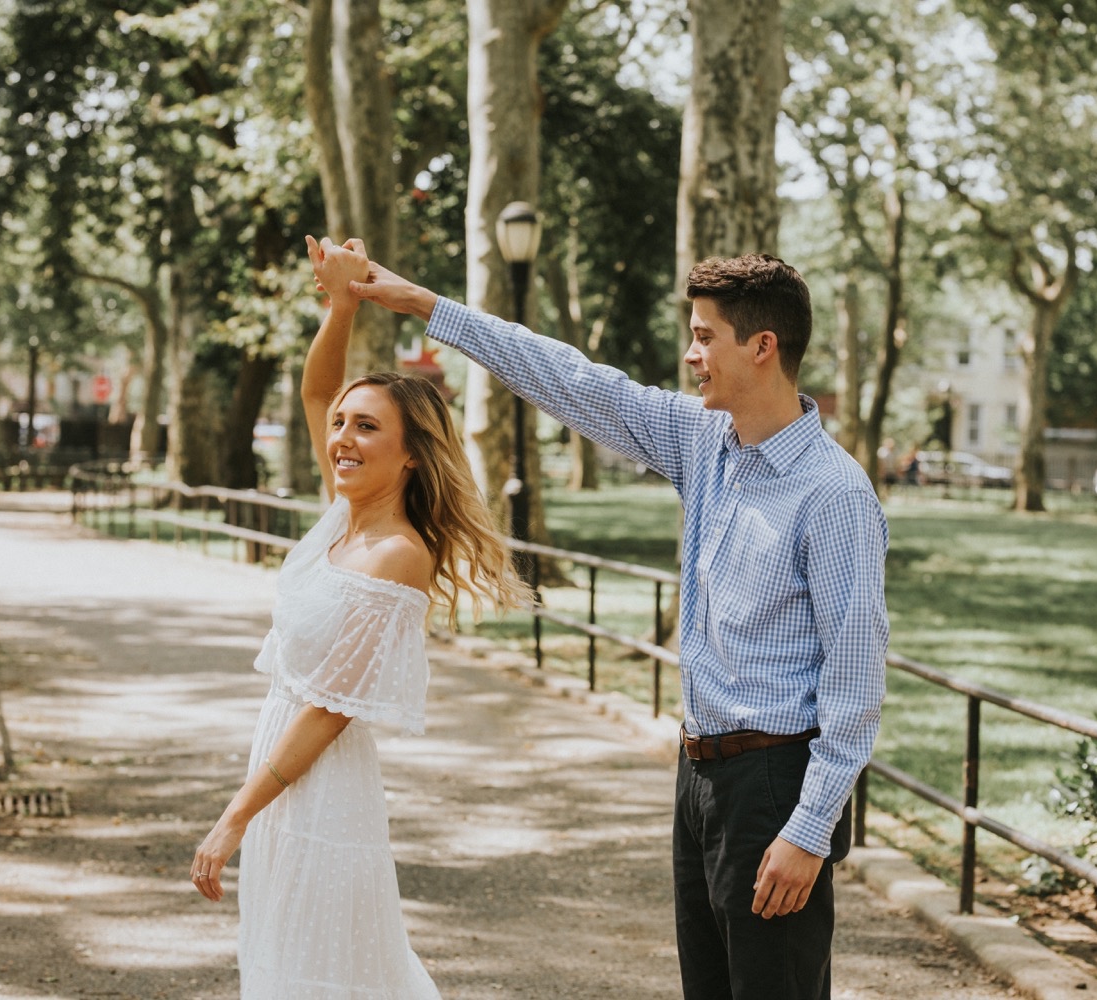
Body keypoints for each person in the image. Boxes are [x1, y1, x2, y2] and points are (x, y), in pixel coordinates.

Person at [331, 248, 889, 1000]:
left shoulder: (833, 495)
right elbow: (570, 379)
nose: (691, 355)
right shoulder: (703, 441)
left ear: (762, 347)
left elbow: (855, 684)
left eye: (704, 336)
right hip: (700, 777)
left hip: (774, 785)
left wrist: (808, 828)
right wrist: (428, 307)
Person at [189, 236, 529, 997]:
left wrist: (233, 817)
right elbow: (316, 392)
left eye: (366, 427)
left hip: (321, 787)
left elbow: (329, 711)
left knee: (324, 972)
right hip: (279, 770)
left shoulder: (397, 555)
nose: (341, 437)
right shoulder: (343, 513)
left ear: (411, 454)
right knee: (281, 960)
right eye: (344, 425)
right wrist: (341, 305)